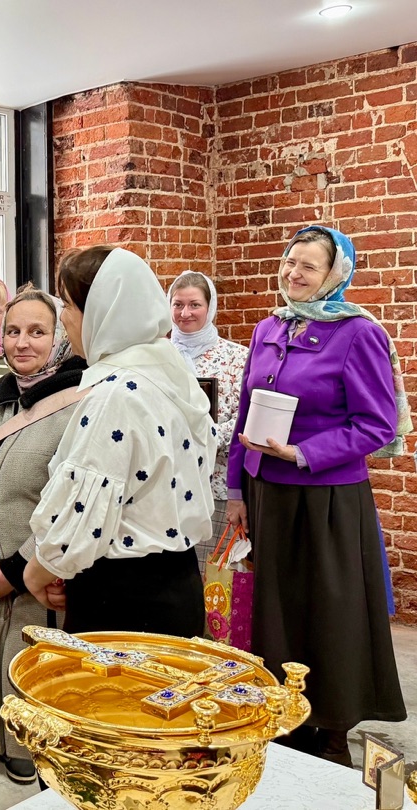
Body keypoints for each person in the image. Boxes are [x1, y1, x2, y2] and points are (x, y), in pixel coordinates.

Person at [225, 225, 408, 766]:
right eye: (290, 262)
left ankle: (332, 728)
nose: (294, 273)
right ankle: (284, 718)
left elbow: (377, 424)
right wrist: (236, 489)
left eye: (308, 266)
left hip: (327, 499)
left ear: (336, 274)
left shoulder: (358, 333)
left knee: (330, 613)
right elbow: (244, 415)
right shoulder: (269, 327)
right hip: (266, 495)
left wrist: (303, 452)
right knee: (275, 611)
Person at [23, 246, 213, 640]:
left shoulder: (116, 394)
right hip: (177, 581)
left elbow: (84, 511)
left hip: (124, 596)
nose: (63, 318)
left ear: (103, 312)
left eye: (69, 305)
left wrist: (38, 569)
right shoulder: (168, 372)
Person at [0, 284, 87, 785]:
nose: (22, 342)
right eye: (13, 331)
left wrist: (10, 572)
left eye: (37, 332)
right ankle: (17, 759)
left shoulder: (78, 408)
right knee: (3, 688)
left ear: (60, 338)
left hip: (41, 584)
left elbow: (69, 508)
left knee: (48, 702)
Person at [168, 271, 248, 570]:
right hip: (167, 488)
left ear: (210, 306)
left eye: (195, 305)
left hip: (216, 487)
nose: (185, 313)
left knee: (213, 579)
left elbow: (247, 418)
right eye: (178, 304)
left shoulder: (238, 358)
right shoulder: (158, 356)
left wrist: (206, 435)